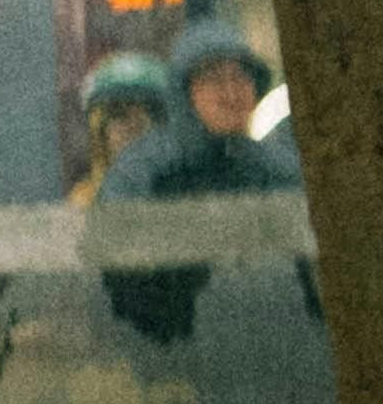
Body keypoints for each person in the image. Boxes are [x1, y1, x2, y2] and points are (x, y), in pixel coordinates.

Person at [97, 18, 303, 344]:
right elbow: (111, 259)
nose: (232, 91)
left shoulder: (276, 168)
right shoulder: (144, 169)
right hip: (168, 353)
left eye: (241, 76)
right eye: (214, 79)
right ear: (184, 92)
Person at [70, 48, 177, 204]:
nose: (133, 127)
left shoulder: (190, 195)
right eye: (118, 114)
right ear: (99, 131)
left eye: (148, 112)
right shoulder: (83, 203)